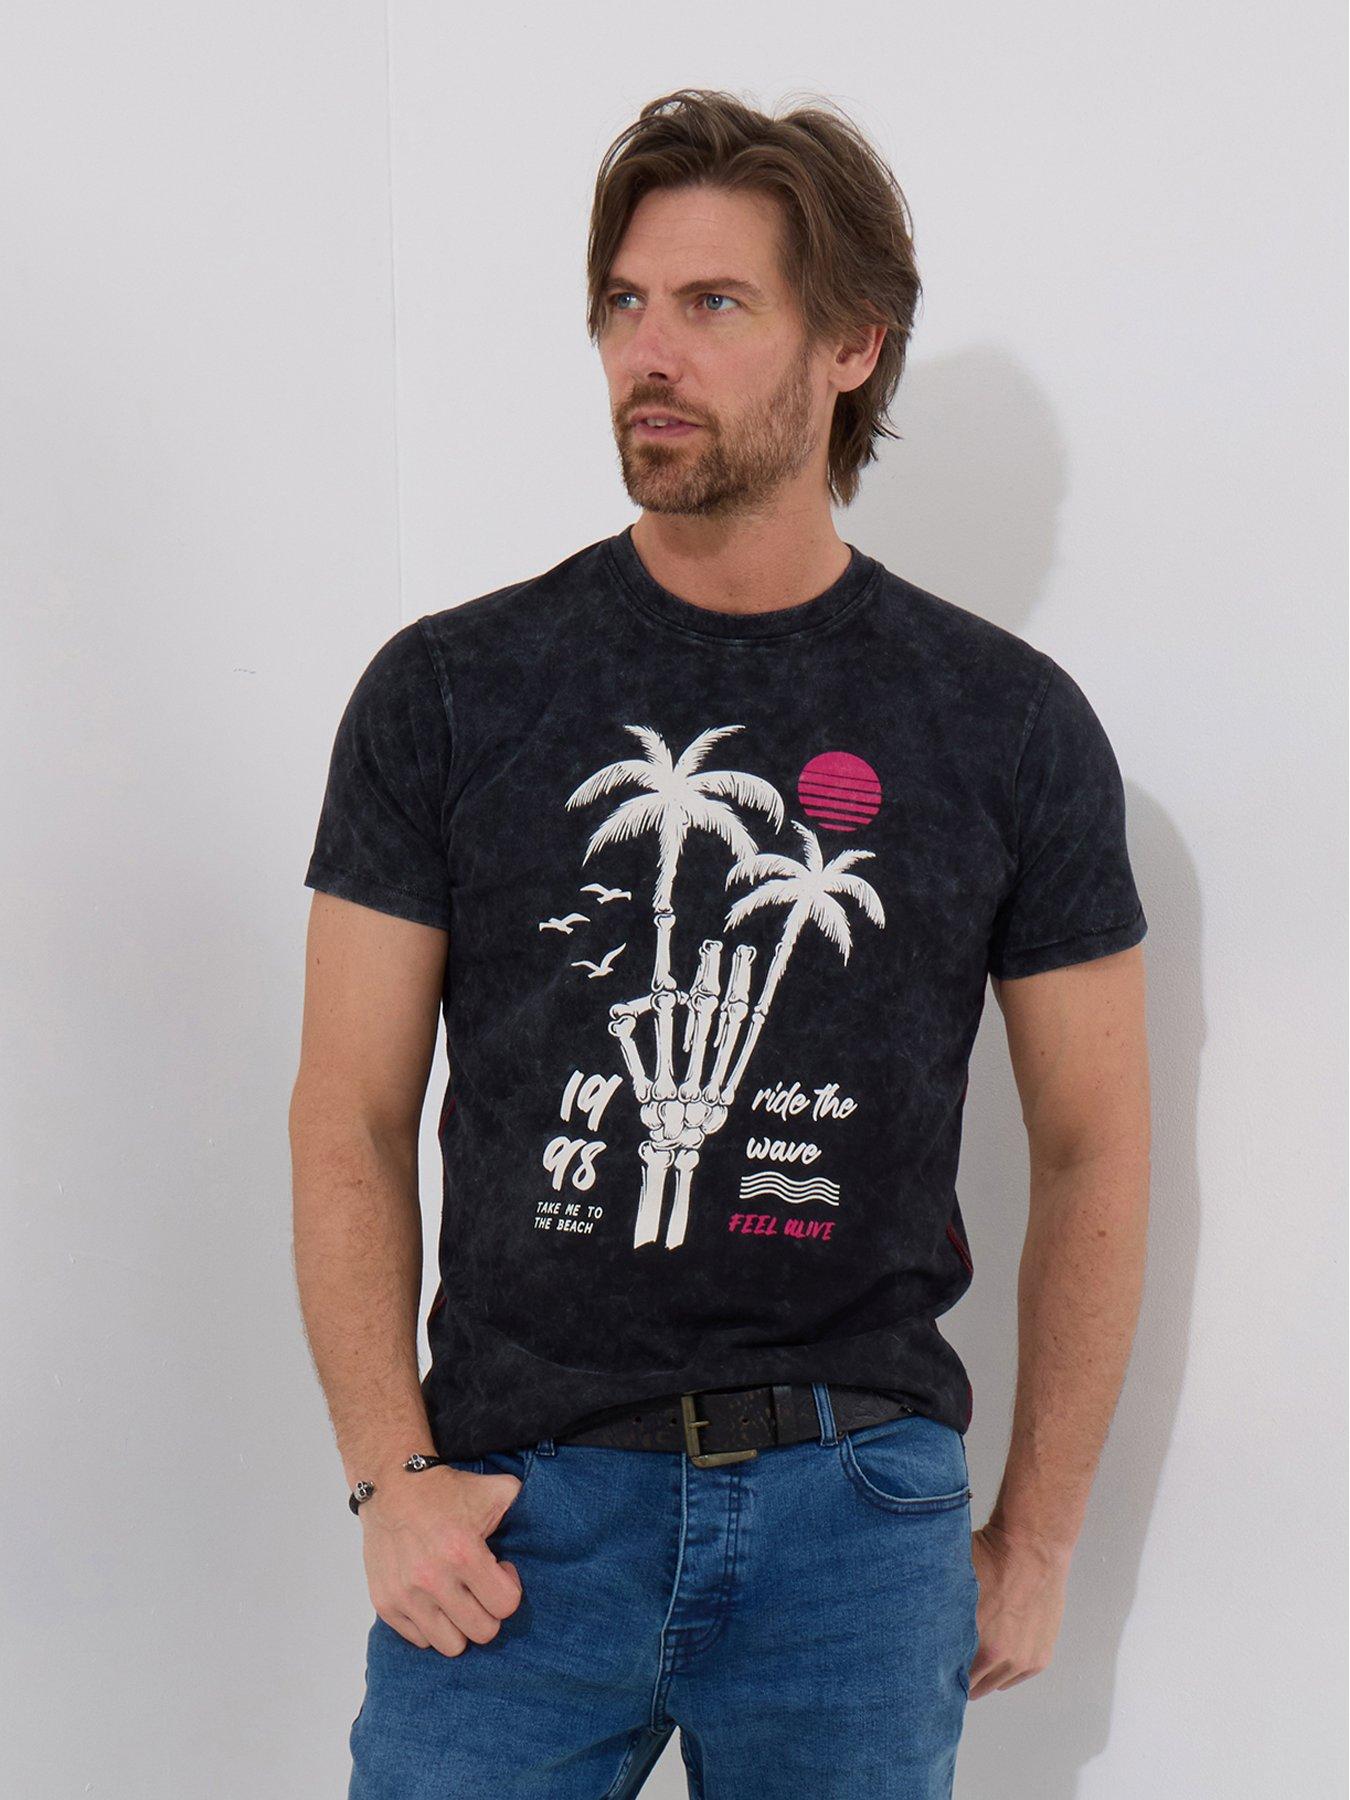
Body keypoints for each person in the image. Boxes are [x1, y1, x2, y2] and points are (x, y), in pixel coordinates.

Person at [289, 86, 1151, 1800]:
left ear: (850, 345)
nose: (648, 352)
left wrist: (1040, 1535)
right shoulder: (451, 690)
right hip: (514, 1526)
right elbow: (347, 1113)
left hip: (856, 1518)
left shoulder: (1004, 722)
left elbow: (1094, 1141)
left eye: (713, 303)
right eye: (623, 302)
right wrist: (390, 1480)